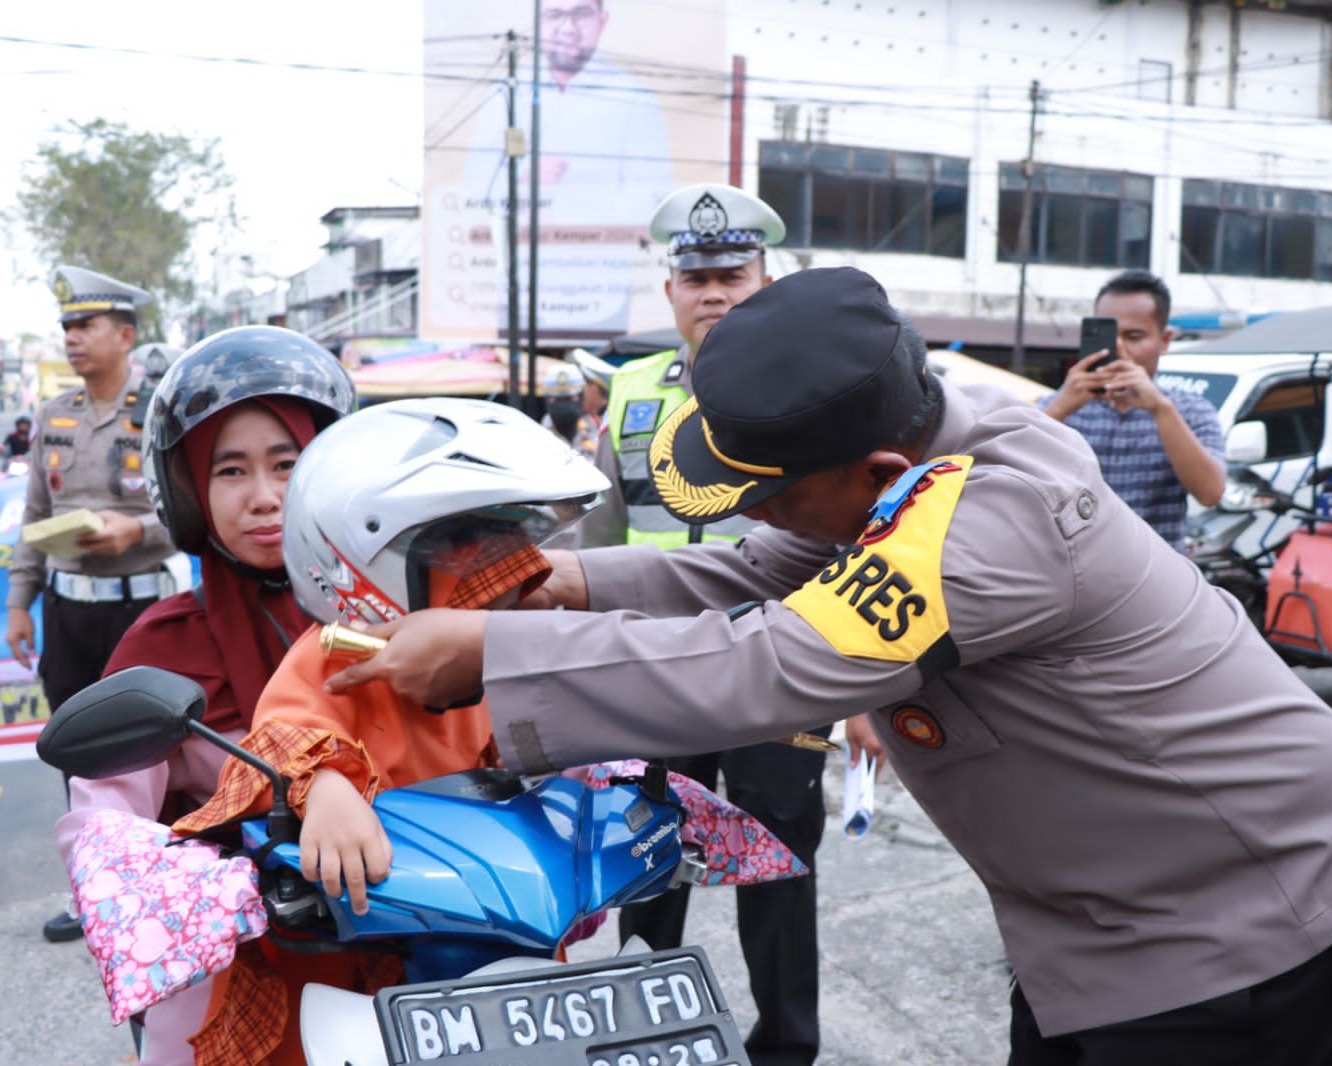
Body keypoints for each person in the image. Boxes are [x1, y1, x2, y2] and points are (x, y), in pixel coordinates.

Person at [328, 267, 1332, 1065]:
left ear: (878, 473)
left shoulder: (993, 523)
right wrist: (562, 582)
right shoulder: (917, 452)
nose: (751, 515)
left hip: (1240, 936)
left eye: (763, 491)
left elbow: (773, 659)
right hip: (1102, 936)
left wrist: (497, 654)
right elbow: (771, 567)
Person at [170, 397, 607, 1065]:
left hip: (481, 927)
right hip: (348, 940)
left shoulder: (489, 670)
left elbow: (534, 758)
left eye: (508, 603)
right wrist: (325, 793)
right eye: (476, 603)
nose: (491, 627)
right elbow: (282, 735)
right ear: (383, 588)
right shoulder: (339, 653)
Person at [582, 183, 878, 1066]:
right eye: (696, 276)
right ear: (669, 289)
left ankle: (785, 1048)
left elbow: (861, 540)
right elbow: (598, 543)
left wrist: (861, 685)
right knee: (645, 870)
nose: (713, 292)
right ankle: (644, 1041)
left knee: (781, 870)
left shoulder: (815, 392)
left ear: (766, 279)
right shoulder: (631, 397)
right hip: (654, 673)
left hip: (781, 673)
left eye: (733, 275)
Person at [54, 325, 356, 1064]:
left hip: (427, 947)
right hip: (248, 957)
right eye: (230, 472)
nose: (265, 497)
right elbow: (106, 821)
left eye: (290, 464)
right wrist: (188, 881)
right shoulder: (162, 646)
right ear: (190, 491)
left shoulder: (395, 616)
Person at [6, 265, 179, 943]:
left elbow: (191, 512)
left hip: (139, 613)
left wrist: (137, 529)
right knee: (80, 754)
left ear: (126, 334)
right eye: (67, 328)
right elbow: (35, 519)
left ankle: (162, 878)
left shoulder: (162, 411)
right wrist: (21, 603)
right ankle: (94, 892)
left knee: (153, 751)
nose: (73, 339)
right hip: (69, 613)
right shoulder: (55, 415)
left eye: (86, 326)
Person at [457, 0, 672, 335]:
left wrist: (574, 209)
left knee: (594, 380)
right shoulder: (507, 93)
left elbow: (652, 199)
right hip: (518, 288)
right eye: (556, 15)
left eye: (581, 13)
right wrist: (523, 179)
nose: (568, 27)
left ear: (602, 21)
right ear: (538, 23)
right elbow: (473, 188)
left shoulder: (634, 97)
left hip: (598, 291)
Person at [1040, 268, 1225, 551]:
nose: (1119, 349)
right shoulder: (1058, 406)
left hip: (1158, 581)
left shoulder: (1190, 410)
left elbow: (1210, 493)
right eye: (1107, 335)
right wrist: (1060, 407)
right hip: (1073, 580)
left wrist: (1161, 409)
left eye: (1134, 337)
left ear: (1164, 342)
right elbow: (1002, 473)